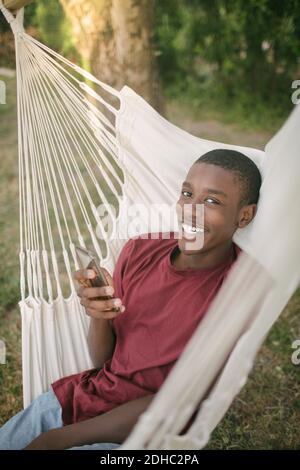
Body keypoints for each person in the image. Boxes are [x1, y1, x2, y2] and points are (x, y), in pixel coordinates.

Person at [0, 149, 261, 450]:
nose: (191, 210)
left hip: (140, 437)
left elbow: (177, 402)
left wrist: (60, 439)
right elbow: (105, 362)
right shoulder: (140, 251)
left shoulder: (237, 290)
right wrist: (101, 315)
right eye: (187, 194)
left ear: (244, 216)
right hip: (77, 402)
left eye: (212, 201)